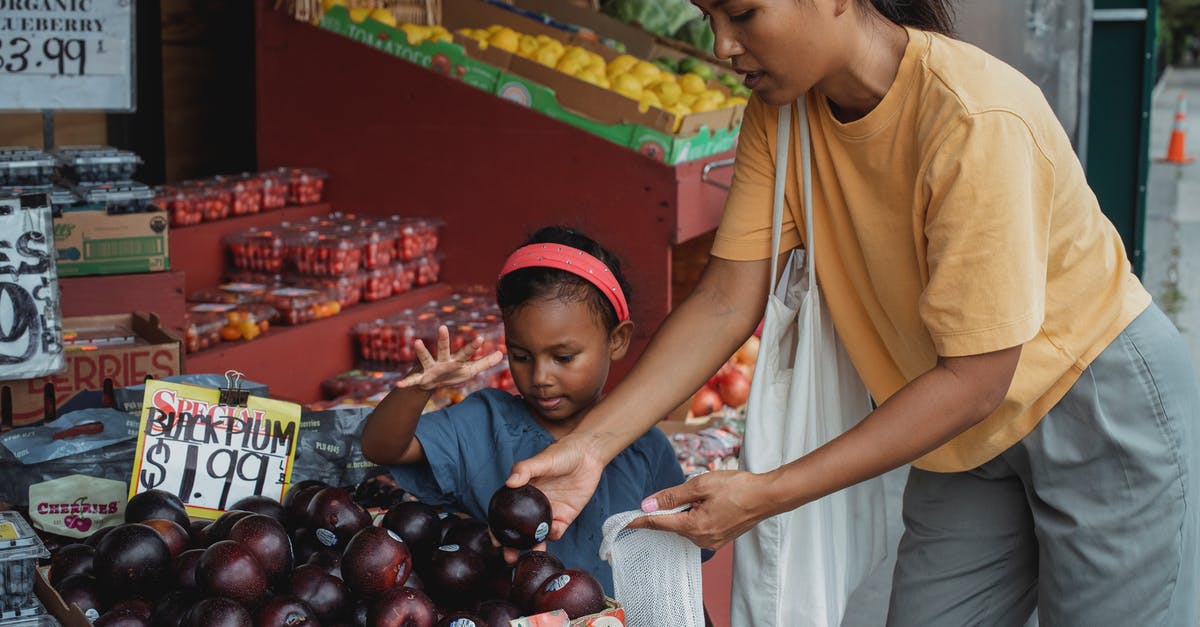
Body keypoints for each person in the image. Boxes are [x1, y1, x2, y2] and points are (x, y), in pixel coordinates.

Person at [504, 1, 1200, 625]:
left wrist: (768, 492)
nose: (722, 44)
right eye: (708, 16)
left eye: (742, 14)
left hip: (1094, 404)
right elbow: (723, 300)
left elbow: (978, 375)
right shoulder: (779, 117)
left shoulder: (973, 117)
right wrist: (592, 445)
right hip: (962, 433)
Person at [360, 226, 686, 596]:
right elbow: (382, 447)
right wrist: (419, 387)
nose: (541, 377)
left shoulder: (645, 448)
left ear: (617, 340)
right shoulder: (484, 422)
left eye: (563, 357)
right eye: (521, 356)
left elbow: (681, 557)